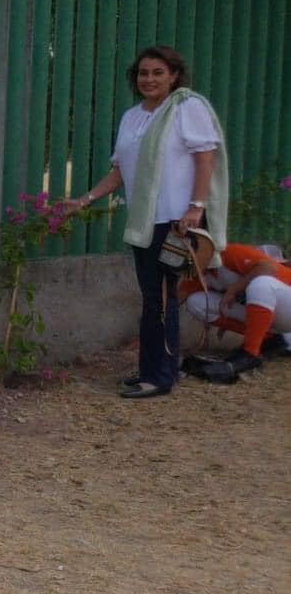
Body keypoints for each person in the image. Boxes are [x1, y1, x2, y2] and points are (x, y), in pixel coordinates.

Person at [72, 46, 227, 399]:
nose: (150, 79)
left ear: (174, 75)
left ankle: (159, 377)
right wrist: (83, 201)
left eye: (158, 72)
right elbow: (120, 172)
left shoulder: (187, 108)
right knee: (152, 297)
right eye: (144, 73)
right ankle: (153, 370)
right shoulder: (132, 117)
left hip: (173, 219)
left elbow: (205, 160)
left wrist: (195, 207)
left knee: (160, 298)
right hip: (144, 221)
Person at [180, 242, 291, 374]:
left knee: (261, 283)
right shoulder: (197, 274)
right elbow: (175, 301)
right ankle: (269, 339)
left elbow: (268, 268)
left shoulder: (228, 252)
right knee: (196, 302)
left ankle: (250, 353)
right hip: (273, 317)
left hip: (286, 304)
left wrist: (233, 289)